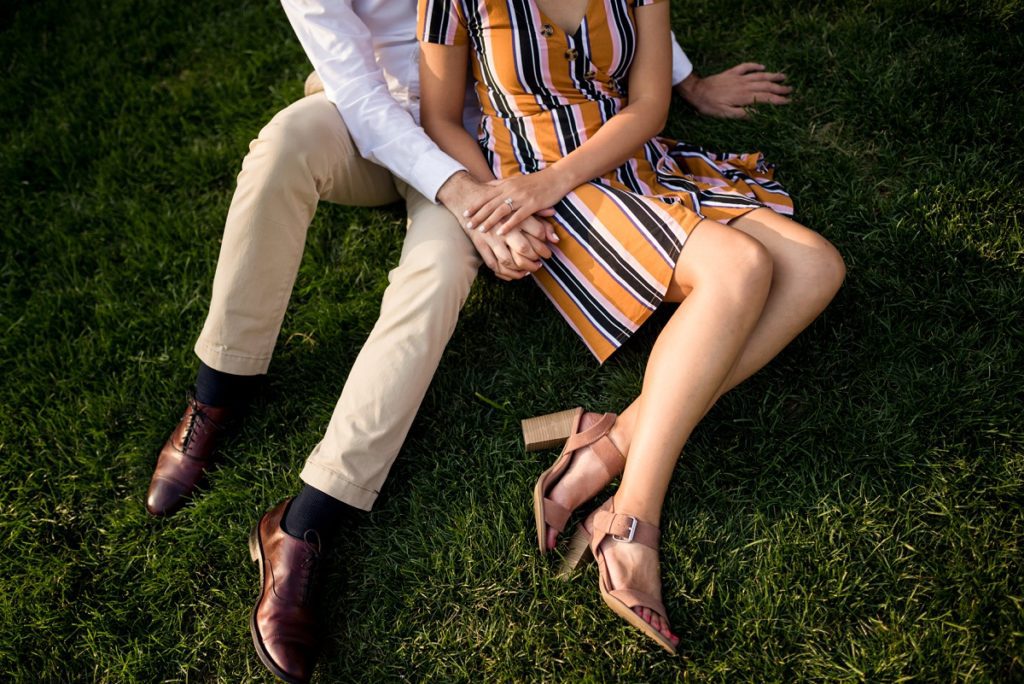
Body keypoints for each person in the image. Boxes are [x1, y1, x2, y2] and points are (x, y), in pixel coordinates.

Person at [143, 0, 797, 680]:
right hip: (374, 118)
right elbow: (361, 95)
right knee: (281, 144)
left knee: (438, 272)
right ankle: (219, 393)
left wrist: (685, 79)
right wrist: (464, 198)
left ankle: (306, 521)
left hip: (490, 132)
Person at [419, 0, 844, 654]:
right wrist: (497, 205)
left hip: (637, 166)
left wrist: (559, 176)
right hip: (546, 197)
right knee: (739, 269)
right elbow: (440, 120)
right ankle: (631, 522)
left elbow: (648, 105)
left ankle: (610, 442)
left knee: (817, 267)